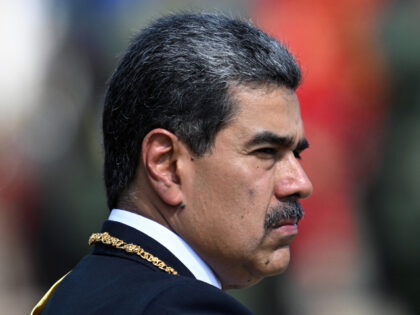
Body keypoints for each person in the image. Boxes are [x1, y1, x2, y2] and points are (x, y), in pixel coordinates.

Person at [33, 13, 313, 314]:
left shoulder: (70, 293)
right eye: (266, 152)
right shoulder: (186, 307)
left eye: (295, 154)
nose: (300, 183)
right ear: (166, 165)